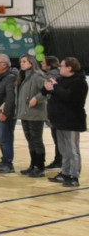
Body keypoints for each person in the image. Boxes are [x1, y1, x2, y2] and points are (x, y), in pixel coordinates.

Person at [42, 57, 87, 188]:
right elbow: (47, 93)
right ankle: (65, 172)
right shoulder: (60, 80)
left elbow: (70, 98)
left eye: (62, 66)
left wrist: (55, 87)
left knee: (73, 149)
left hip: (71, 121)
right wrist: (46, 88)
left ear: (70, 68)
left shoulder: (79, 83)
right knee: (63, 149)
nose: (59, 68)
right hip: (58, 120)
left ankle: (74, 175)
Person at [15, 54, 48, 177]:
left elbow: (48, 91)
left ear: (32, 63)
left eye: (24, 61)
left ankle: (40, 167)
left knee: (37, 140)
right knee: (30, 140)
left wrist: (37, 98)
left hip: (35, 114)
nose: (22, 63)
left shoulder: (37, 77)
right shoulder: (23, 77)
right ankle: (33, 165)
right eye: (21, 61)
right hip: (25, 114)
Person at [0, 54, 18, 174]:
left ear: (4, 65)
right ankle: (4, 160)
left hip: (5, 115)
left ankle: (8, 163)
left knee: (6, 139)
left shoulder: (10, 77)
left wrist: (5, 112)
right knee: (1, 139)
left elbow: (11, 97)